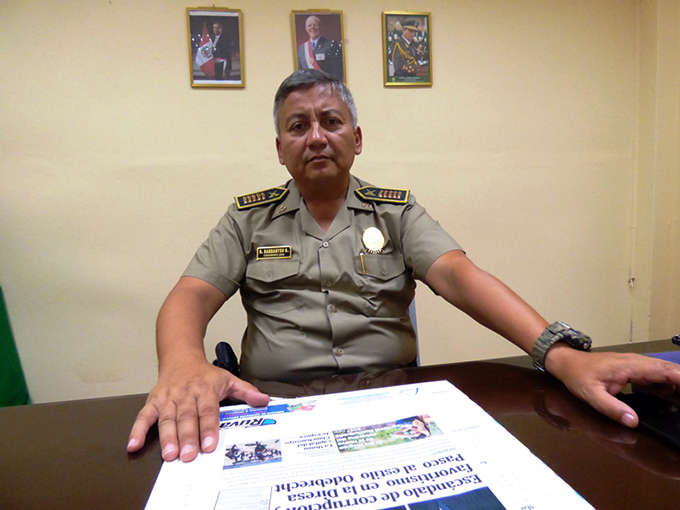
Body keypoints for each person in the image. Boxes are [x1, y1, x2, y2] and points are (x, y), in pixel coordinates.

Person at [127, 68, 680, 463]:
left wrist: (560, 356)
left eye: (330, 121)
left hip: (391, 405)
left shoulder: (396, 212)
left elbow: (461, 277)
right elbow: (189, 295)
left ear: (356, 139)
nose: (316, 137)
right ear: (279, 149)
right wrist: (181, 364)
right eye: (298, 127)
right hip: (277, 408)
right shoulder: (248, 219)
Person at [296, 15, 344, 81]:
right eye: (309, 25)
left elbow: (337, 71)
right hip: (309, 86)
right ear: (306, 28)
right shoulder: (302, 49)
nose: (312, 27)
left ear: (321, 27)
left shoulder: (330, 44)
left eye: (315, 25)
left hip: (325, 85)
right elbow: (300, 73)